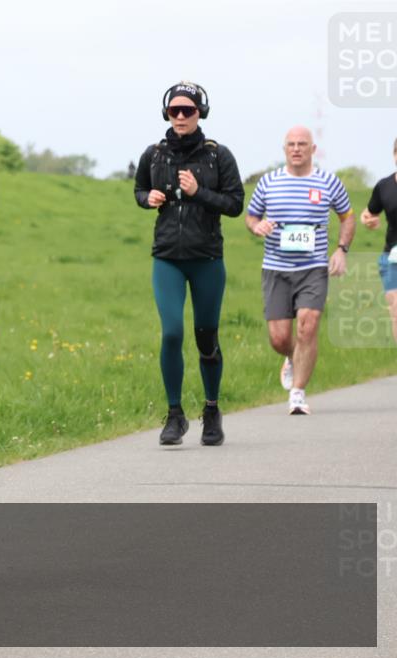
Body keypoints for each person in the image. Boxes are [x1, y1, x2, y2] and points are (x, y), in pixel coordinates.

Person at [134, 81, 244, 447]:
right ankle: (175, 415)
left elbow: (235, 204)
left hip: (207, 258)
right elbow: (139, 190)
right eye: (174, 110)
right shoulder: (153, 154)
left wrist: (200, 193)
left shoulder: (218, 156)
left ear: (201, 113)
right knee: (171, 333)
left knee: (205, 336)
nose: (180, 116)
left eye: (188, 110)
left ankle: (211, 410)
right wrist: (146, 198)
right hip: (167, 257)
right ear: (166, 113)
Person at [245, 126, 355, 415]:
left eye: (302, 144)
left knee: (308, 325)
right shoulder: (269, 182)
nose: (296, 149)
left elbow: (347, 217)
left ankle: (297, 394)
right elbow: (251, 215)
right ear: (284, 149)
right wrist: (257, 226)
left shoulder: (328, 182)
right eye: (291, 144)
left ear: (312, 149)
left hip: (312, 267)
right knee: (279, 338)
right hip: (276, 268)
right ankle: (293, 357)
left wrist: (341, 250)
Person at [360, 137, 397, 344]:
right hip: (392, 257)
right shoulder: (384, 186)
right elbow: (368, 213)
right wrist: (367, 220)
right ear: (394, 155)